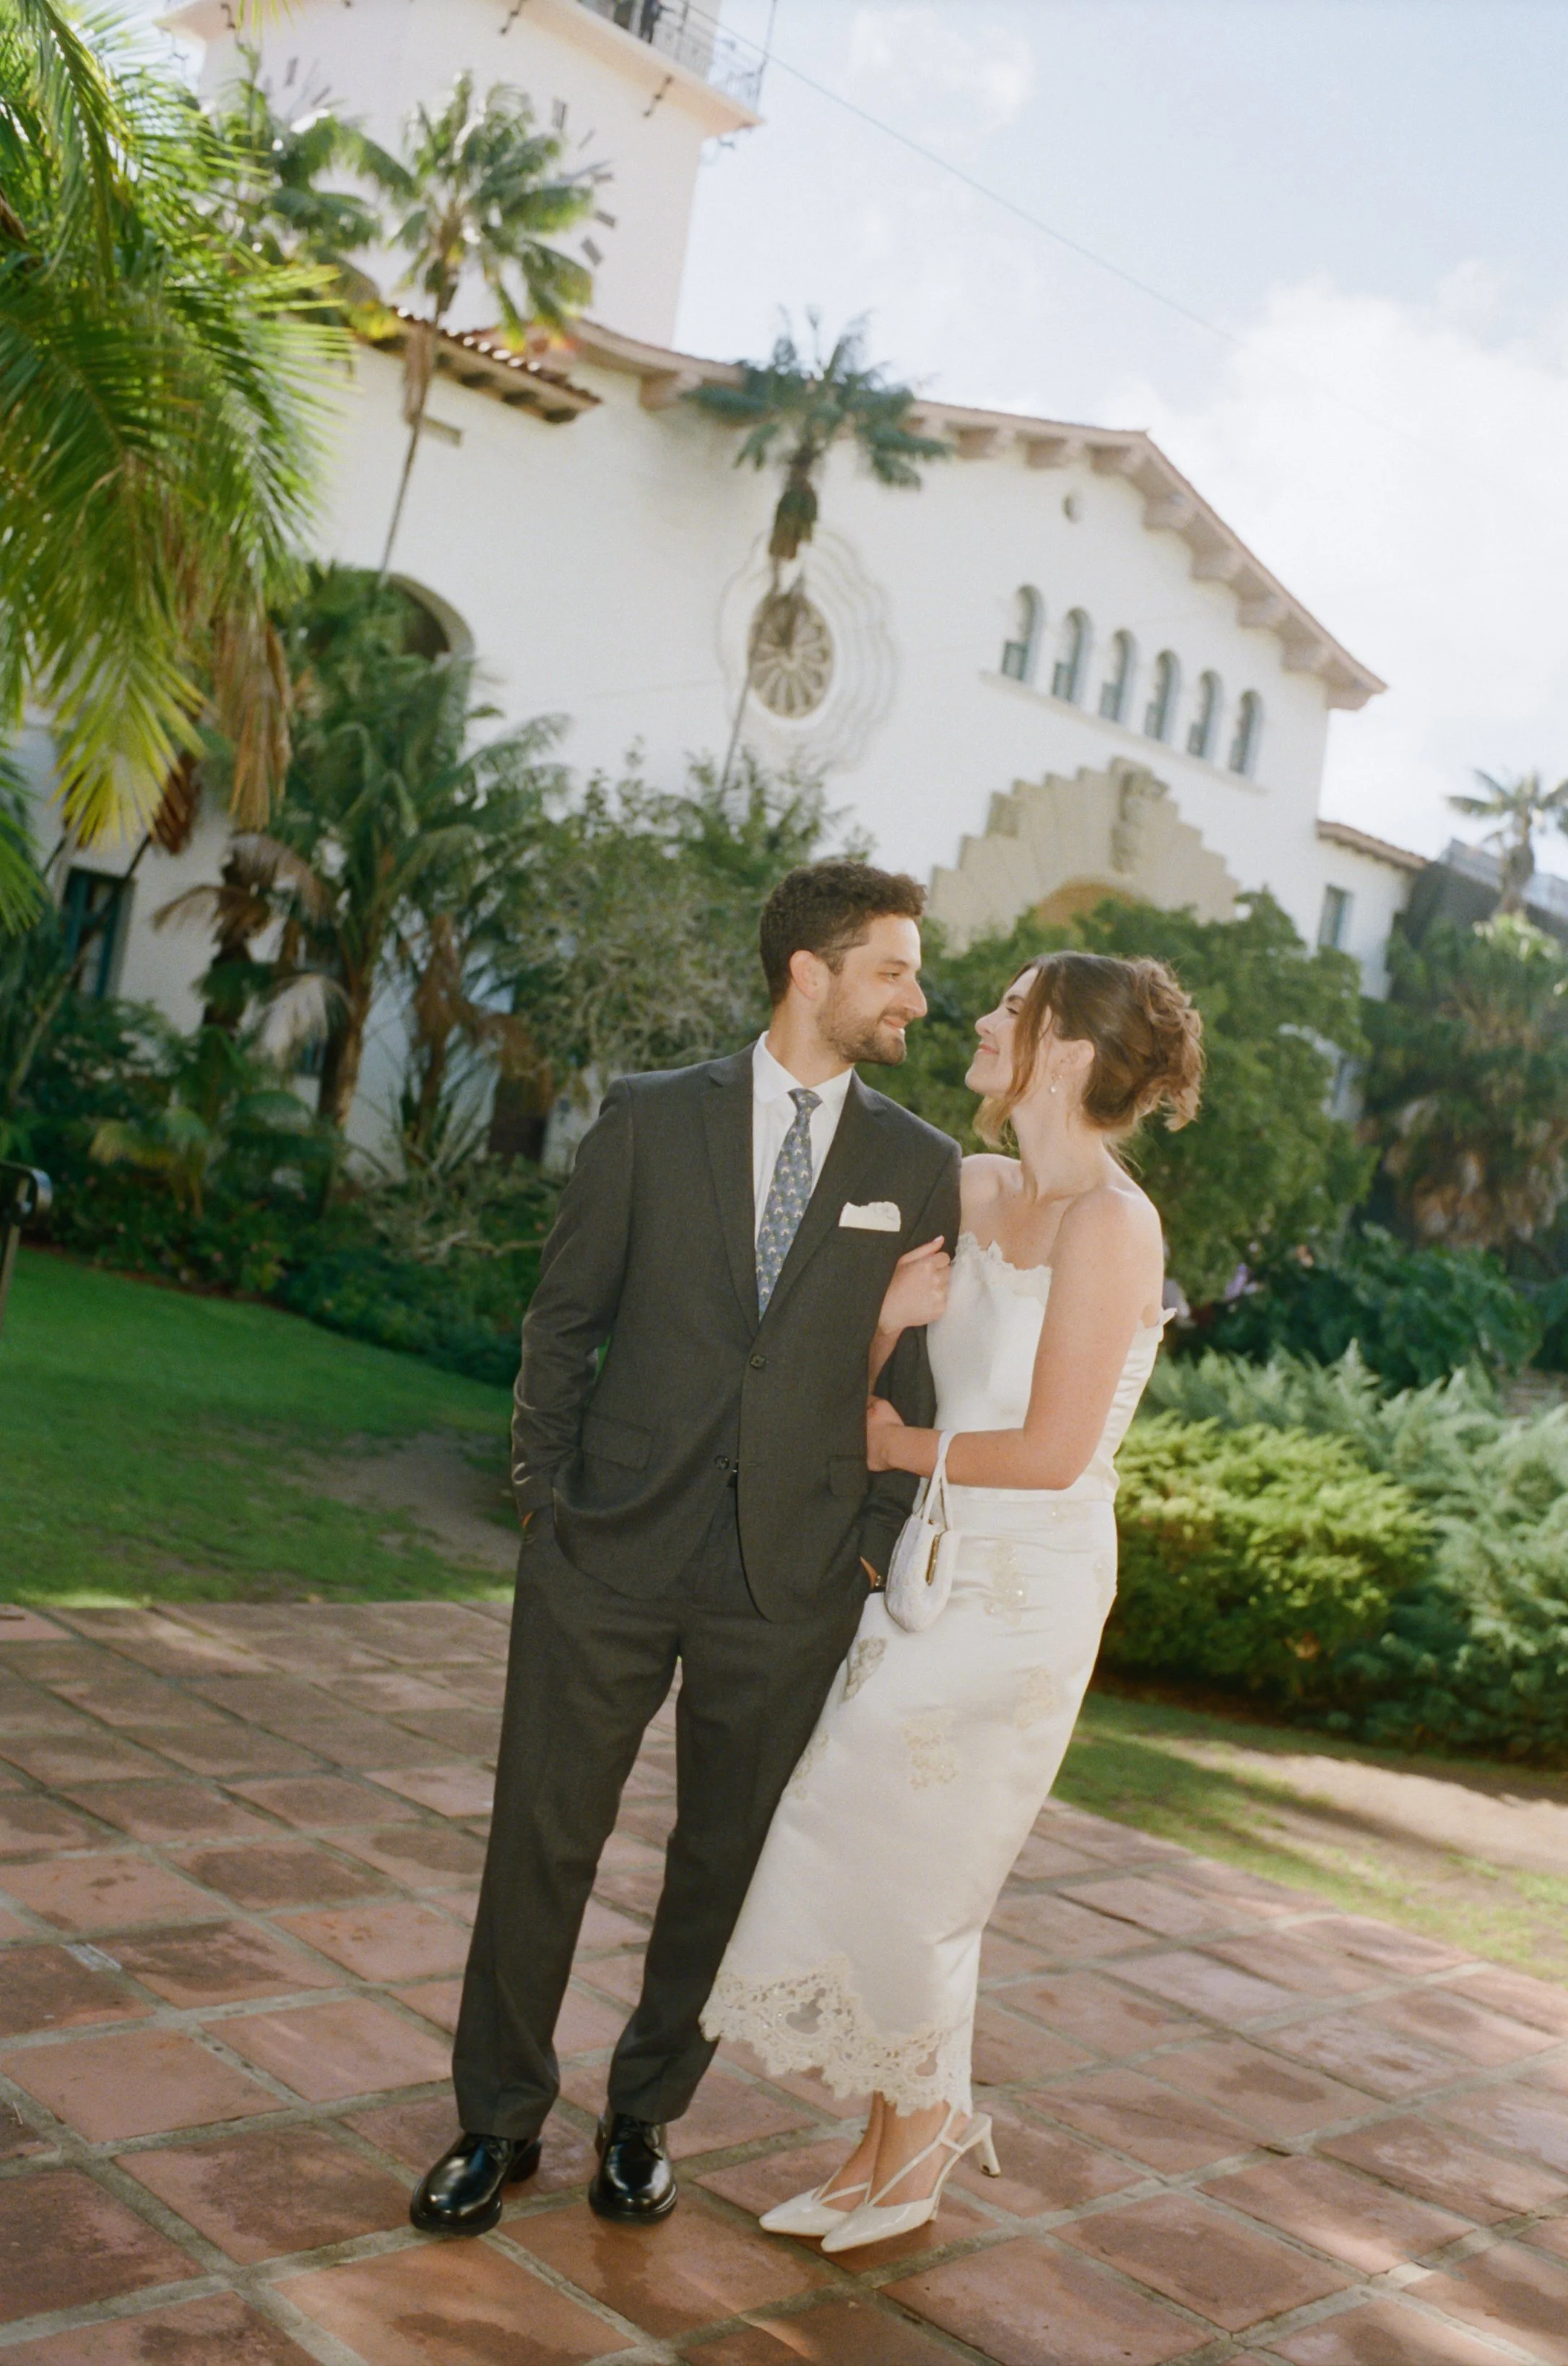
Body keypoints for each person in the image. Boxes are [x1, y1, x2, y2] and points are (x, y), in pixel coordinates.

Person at [411, 861, 961, 2235]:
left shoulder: (918, 1162)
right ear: (809, 971)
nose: (916, 995)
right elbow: (564, 1313)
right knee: (541, 1836)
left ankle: (645, 2115)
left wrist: (874, 1544)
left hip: (791, 1575)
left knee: (723, 1862)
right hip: (606, 1548)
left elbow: (915, 1382)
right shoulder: (654, 1118)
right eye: (893, 967)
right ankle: (495, 2121)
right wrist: (546, 1493)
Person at [702, 949, 1203, 2253]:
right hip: (930, 1565)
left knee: (918, 1867)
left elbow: (1046, 1451)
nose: (980, 1019)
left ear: (1069, 1054)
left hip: (1026, 1587)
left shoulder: (1114, 1223)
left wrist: (888, 1450)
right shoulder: (974, 1187)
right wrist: (882, 1328)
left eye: (1011, 1010)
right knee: (875, 1844)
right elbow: (862, 1361)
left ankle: (913, 2143)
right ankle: (886, 2143)